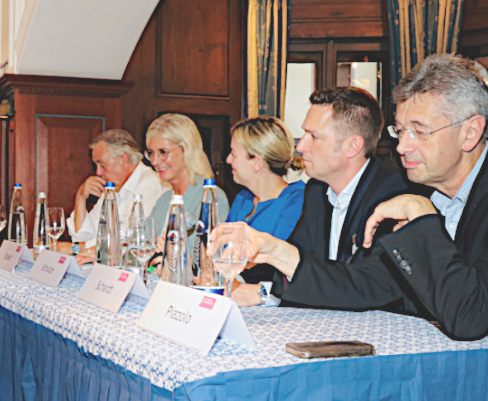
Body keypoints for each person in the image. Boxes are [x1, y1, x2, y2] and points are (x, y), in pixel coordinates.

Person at [209, 54, 488, 341]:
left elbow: (469, 319)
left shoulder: (404, 194)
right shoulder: (418, 189)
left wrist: (422, 217)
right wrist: (276, 253)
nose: (402, 146)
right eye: (401, 131)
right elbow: (371, 283)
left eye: (419, 131)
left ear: (470, 133)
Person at [231, 87, 408, 306]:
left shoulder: (394, 194)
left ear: (352, 146)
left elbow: (368, 286)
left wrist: (275, 262)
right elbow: (302, 269)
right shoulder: (316, 190)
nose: (301, 145)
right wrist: (262, 292)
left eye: (313, 136)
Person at [224, 117, 305, 284]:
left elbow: (273, 265)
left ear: (257, 163)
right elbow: (222, 251)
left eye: (233, 154)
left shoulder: (296, 201)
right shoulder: (243, 199)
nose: (228, 160)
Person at [66, 129, 168, 255]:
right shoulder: (111, 186)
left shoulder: (150, 183)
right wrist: (80, 198)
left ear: (124, 160)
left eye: (102, 165)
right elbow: (83, 237)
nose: (98, 173)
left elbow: (128, 240)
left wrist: (76, 248)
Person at [146, 113, 229, 248]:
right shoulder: (164, 199)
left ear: (187, 150)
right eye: (151, 153)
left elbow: (208, 258)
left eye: (163, 152)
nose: (154, 161)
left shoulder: (210, 198)